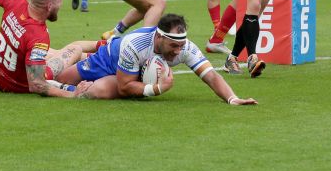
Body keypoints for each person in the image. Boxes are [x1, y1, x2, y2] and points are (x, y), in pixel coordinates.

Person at [57, 14, 257, 105]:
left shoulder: (185, 47)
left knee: (98, 92)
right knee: (61, 78)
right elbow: (125, 87)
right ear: (159, 38)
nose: (178, 52)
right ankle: (72, 59)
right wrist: (157, 89)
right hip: (110, 58)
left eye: (181, 46)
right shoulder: (136, 44)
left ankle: (78, 72)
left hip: (132, 71)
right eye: (173, 46)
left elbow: (211, 76)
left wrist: (232, 98)